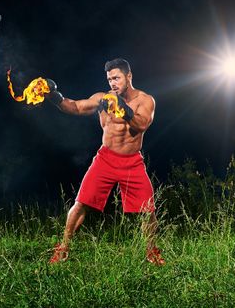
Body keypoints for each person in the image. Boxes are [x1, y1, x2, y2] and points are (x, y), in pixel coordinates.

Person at [44, 58, 165, 266]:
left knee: (148, 209)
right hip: (106, 159)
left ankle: (151, 252)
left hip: (132, 162)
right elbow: (75, 107)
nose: (112, 83)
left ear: (129, 76)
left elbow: (142, 124)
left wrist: (123, 108)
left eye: (116, 78)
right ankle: (63, 248)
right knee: (81, 203)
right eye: (109, 79)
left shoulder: (145, 100)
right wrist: (53, 96)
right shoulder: (103, 99)